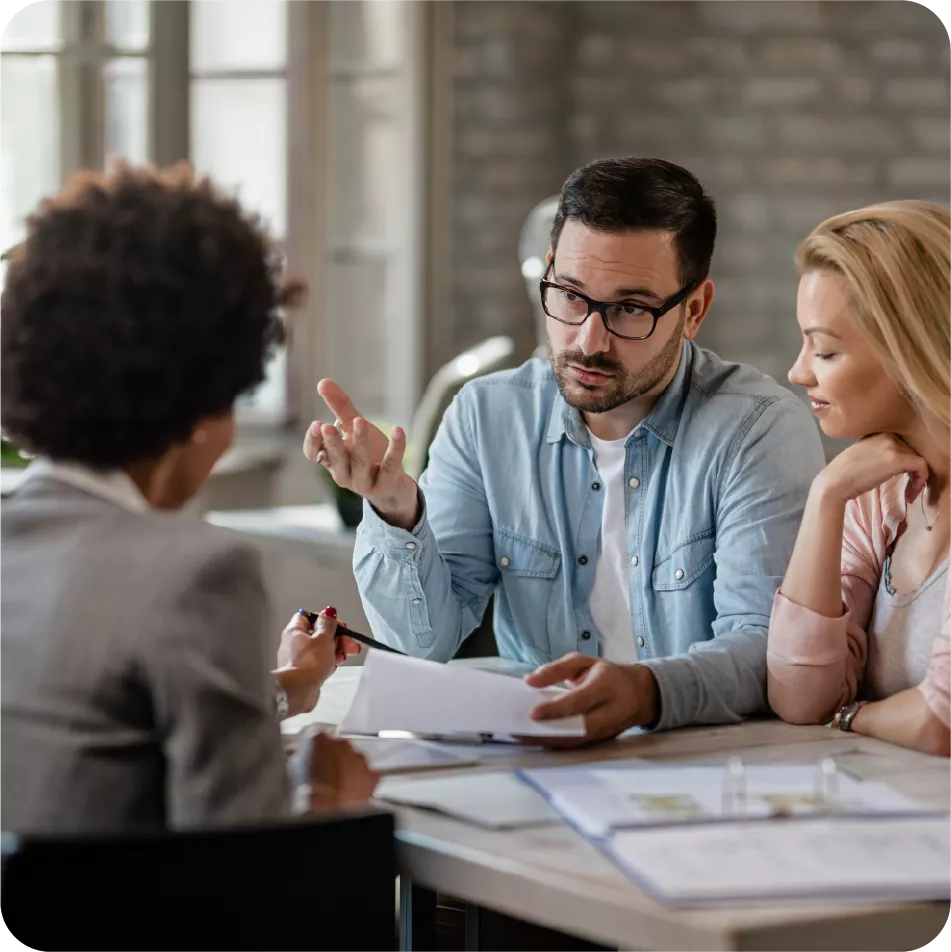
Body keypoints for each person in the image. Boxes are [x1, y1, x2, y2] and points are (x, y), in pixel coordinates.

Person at [304, 157, 825, 743]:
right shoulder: (487, 417)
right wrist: (397, 508)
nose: (588, 340)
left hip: (703, 761)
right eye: (571, 296)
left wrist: (643, 693)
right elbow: (421, 643)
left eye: (631, 309)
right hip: (542, 756)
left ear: (695, 310)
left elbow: (766, 649)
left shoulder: (757, 429)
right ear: (548, 274)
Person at [0, 162, 377, 833]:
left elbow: (98, 724)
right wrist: (331, 810)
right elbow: (241, 883)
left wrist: (293, 684)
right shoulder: (194, 572)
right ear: (201, 401)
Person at [768, 200, 951, 757]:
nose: (799, 372)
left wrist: (848, 716)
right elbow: (800, 697)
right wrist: (826, 498)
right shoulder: (879, 496)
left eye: (824, 349)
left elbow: (936, 722)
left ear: (908, 350)